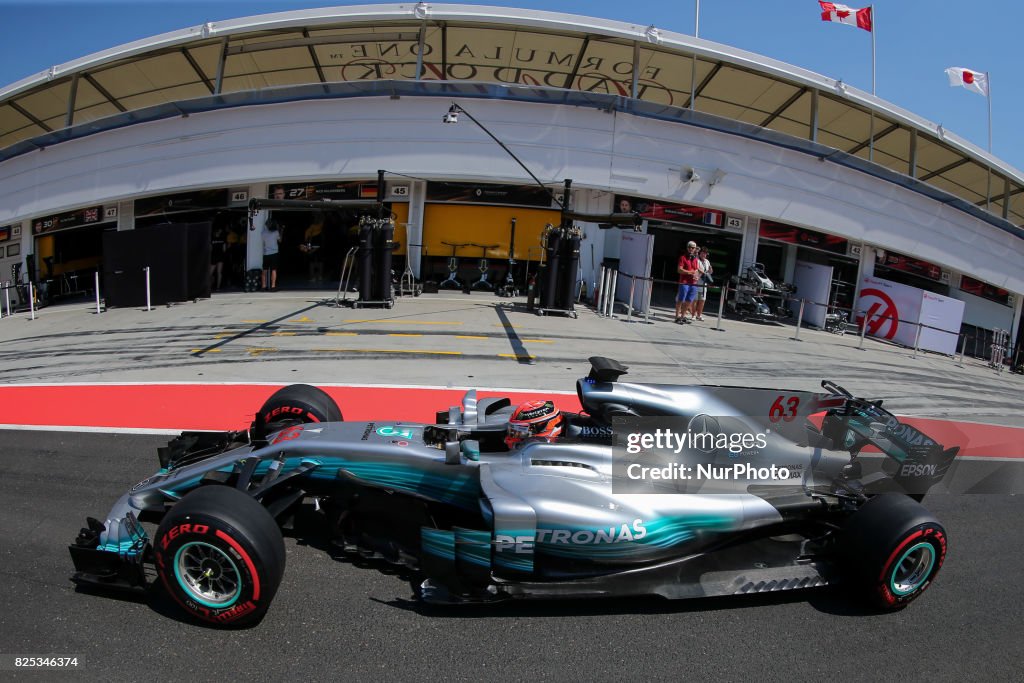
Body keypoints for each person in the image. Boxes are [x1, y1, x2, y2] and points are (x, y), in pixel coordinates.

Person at [675, 241, 701, 324]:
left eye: (693, 248)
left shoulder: (695, 259)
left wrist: (696, 275)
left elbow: (696, 270)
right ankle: (677, 317)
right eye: (690, 247)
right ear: (687, 248)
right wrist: (690, 272)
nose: (691, 249)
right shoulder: (683, 257)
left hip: (693, 282)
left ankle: (682, 316)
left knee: (689, 300)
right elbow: (679, 270)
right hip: (684, 282)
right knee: (681, 299)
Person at [300, 213, 325, 282]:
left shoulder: (314, 226)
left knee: (313, 262)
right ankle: (319, 276)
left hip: (314, 243)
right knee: (318, 261)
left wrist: (307, 245)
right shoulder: (320, 225)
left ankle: (313, 277)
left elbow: (308, 237)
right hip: (318, 244)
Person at [262, 218, 283, 291]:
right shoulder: (276, 232)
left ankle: (263, 286)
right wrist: (281, 231)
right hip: (274, 253)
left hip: (266, 253)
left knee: (264, 270)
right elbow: (280, 240)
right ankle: (273, 286)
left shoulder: (263, 233)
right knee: (273, 270)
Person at [694, 246, 713, 321]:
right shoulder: (696, 260)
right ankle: (693, 315)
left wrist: (711, 270)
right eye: (702, 253)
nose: (704, 255)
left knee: (702, 300)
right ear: (700, 253)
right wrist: (702, 272)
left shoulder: (707, 261)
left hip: (704, 284)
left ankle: (699, 315)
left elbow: (710, 272)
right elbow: (696, 268)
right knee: (695, 300)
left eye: (705, 254)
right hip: (697, 282)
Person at [209, 225, 227, 291]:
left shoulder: (212, 239)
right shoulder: (222, 239)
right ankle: (218, 287)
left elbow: (210, 249)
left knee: (210, 273)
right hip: (220, 256)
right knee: (219, 272)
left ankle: (209, 286)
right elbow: (224, 249)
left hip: (214, 256)